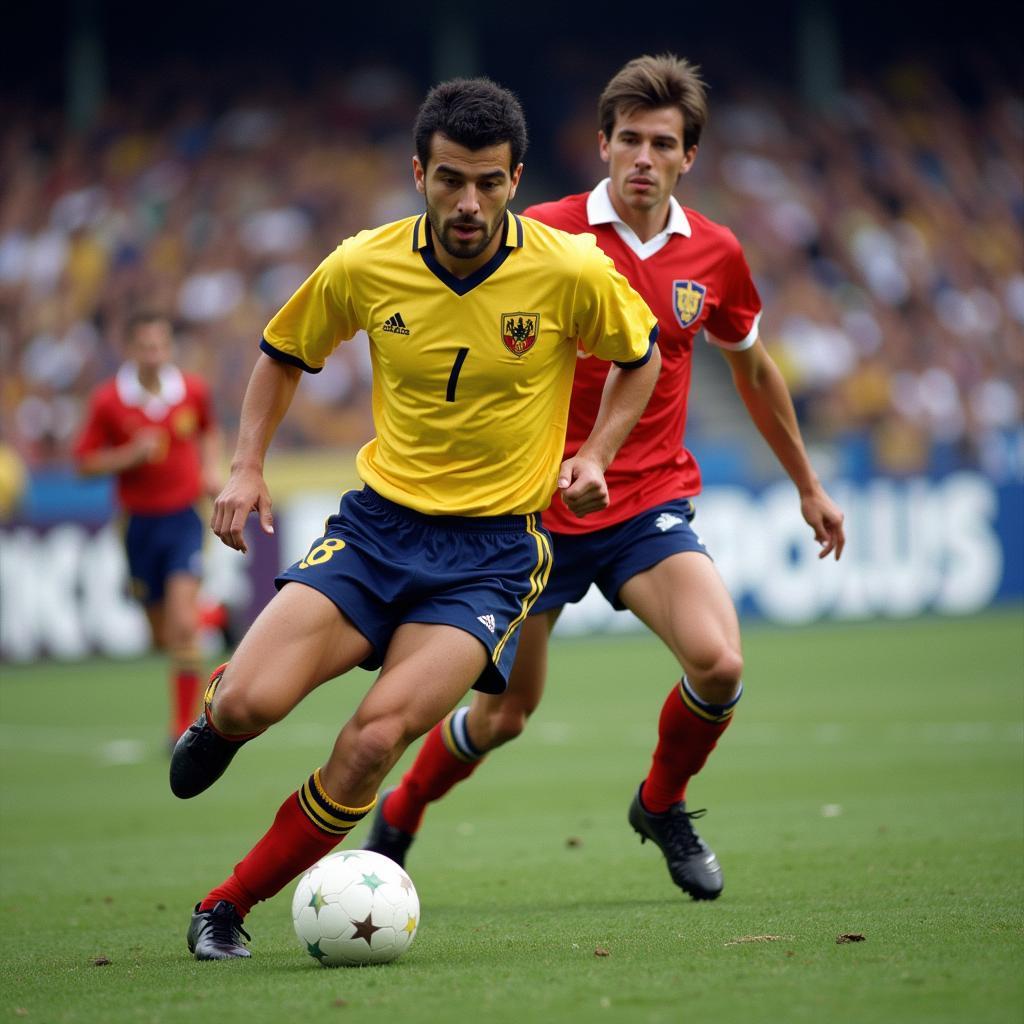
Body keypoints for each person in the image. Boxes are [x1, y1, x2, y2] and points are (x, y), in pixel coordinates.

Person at [169, 76, 662, 961]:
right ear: (418, 173)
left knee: (374, 739)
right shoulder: (365, 263)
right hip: (374, 532)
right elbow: (283, 352)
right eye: (448, 181)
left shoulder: (570, 269)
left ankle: (226, 906)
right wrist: (246, 464)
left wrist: (595, 454)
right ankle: (216, 719)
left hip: (492, 557)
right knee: (248, 702)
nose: (468, 203)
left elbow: (640, 354)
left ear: (517, 177)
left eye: (489, 182)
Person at [364, 54, 846, 901]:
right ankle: (403, 807)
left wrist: (807, 484)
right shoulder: (541, 233)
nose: (644, 158)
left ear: (688, 156)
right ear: (602, 144)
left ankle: (662, 804)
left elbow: (756, 371)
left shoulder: (716, 254)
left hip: (645, 505)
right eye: (629, 139)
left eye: (663, 143)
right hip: (534, 519)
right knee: (506, 715)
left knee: (720, 663)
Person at [74, 312, 223, 745]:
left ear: (170, 348)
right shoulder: (108, 401)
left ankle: (182, 729)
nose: (154, 355)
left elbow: (209, 432)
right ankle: (216, 617)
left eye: (161, 346)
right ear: (131, 349)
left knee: (180, 623)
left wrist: (211, 470)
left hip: (183, 518)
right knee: (163, 636)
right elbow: (84, 464)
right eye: (146, 347)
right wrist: (128, 457)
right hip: (138, 525)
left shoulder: (192, 390)